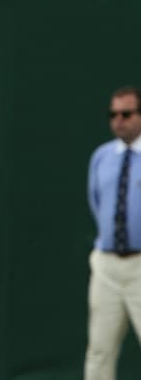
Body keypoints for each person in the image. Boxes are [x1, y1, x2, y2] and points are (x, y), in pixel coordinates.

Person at [86, 87, 141, 380]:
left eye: (127, 114)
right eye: (114, 114)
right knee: (99, 350)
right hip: (106, 265)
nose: (119, 120)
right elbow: (97, 203)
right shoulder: (101, 157)